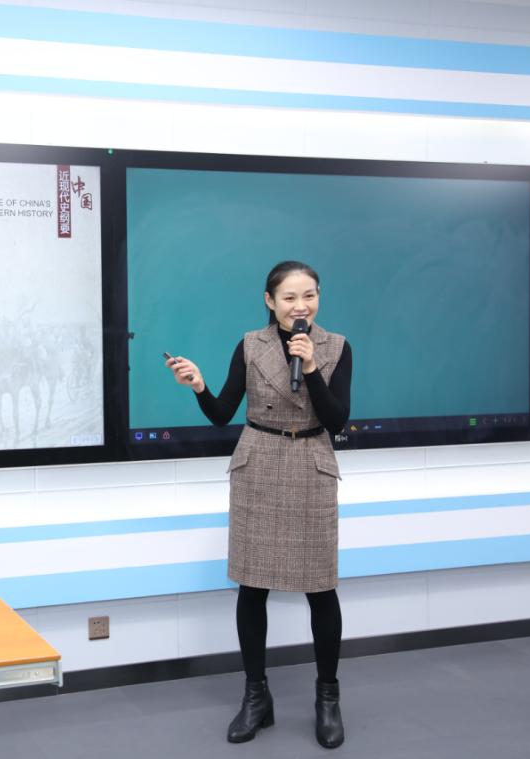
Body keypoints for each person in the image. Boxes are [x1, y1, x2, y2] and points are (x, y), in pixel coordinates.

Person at [166, 261, 353, 749]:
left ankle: (328, 698)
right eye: (289, 297)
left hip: (311, 464)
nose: (301, 306)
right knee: (252, 587)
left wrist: (309, 368)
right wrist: (199, 385)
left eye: (309, 295)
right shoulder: (250, 345)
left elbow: (338, 420)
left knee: (321, 588)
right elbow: (221, 414)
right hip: (259, 464)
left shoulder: (335, 346)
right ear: (270, 301)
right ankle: (256, 697)